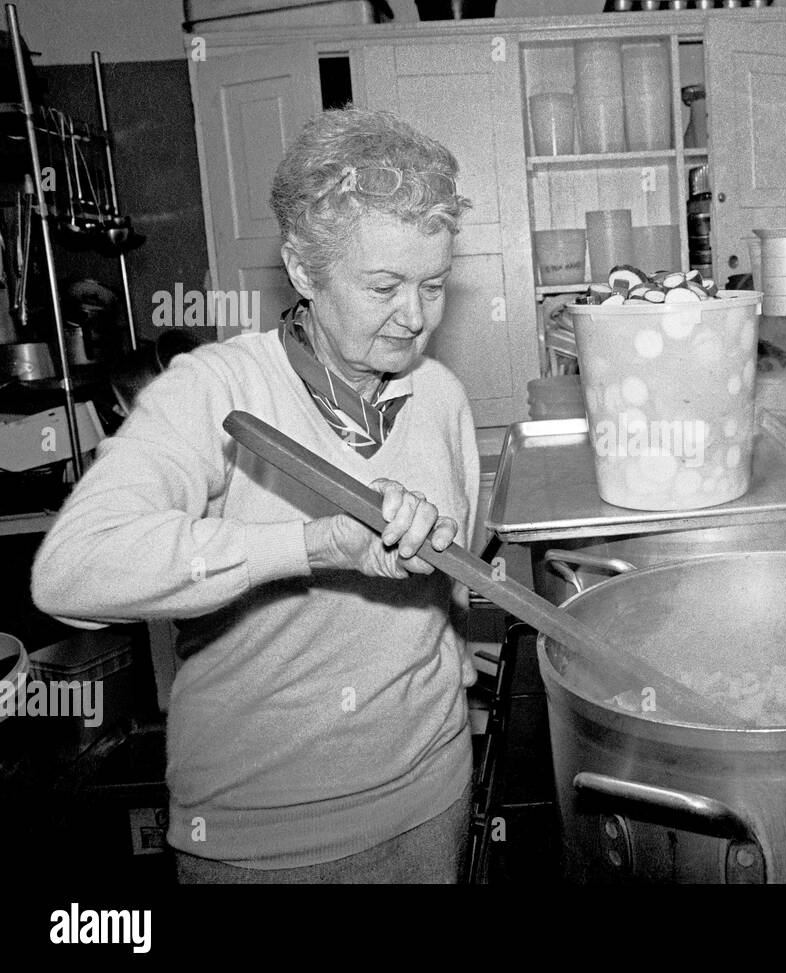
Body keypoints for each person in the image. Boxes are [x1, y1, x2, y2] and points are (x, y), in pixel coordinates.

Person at [31, 107, 480, 883]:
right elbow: (70, 572)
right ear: (304, 271)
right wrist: (307, 546)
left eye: (434, 284)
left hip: (431, 799)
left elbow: (447, 568)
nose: (415, 317)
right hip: (260, 840)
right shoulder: (216, 389)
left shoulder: (439, 393)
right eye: (384, 286)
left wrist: (447, 647)